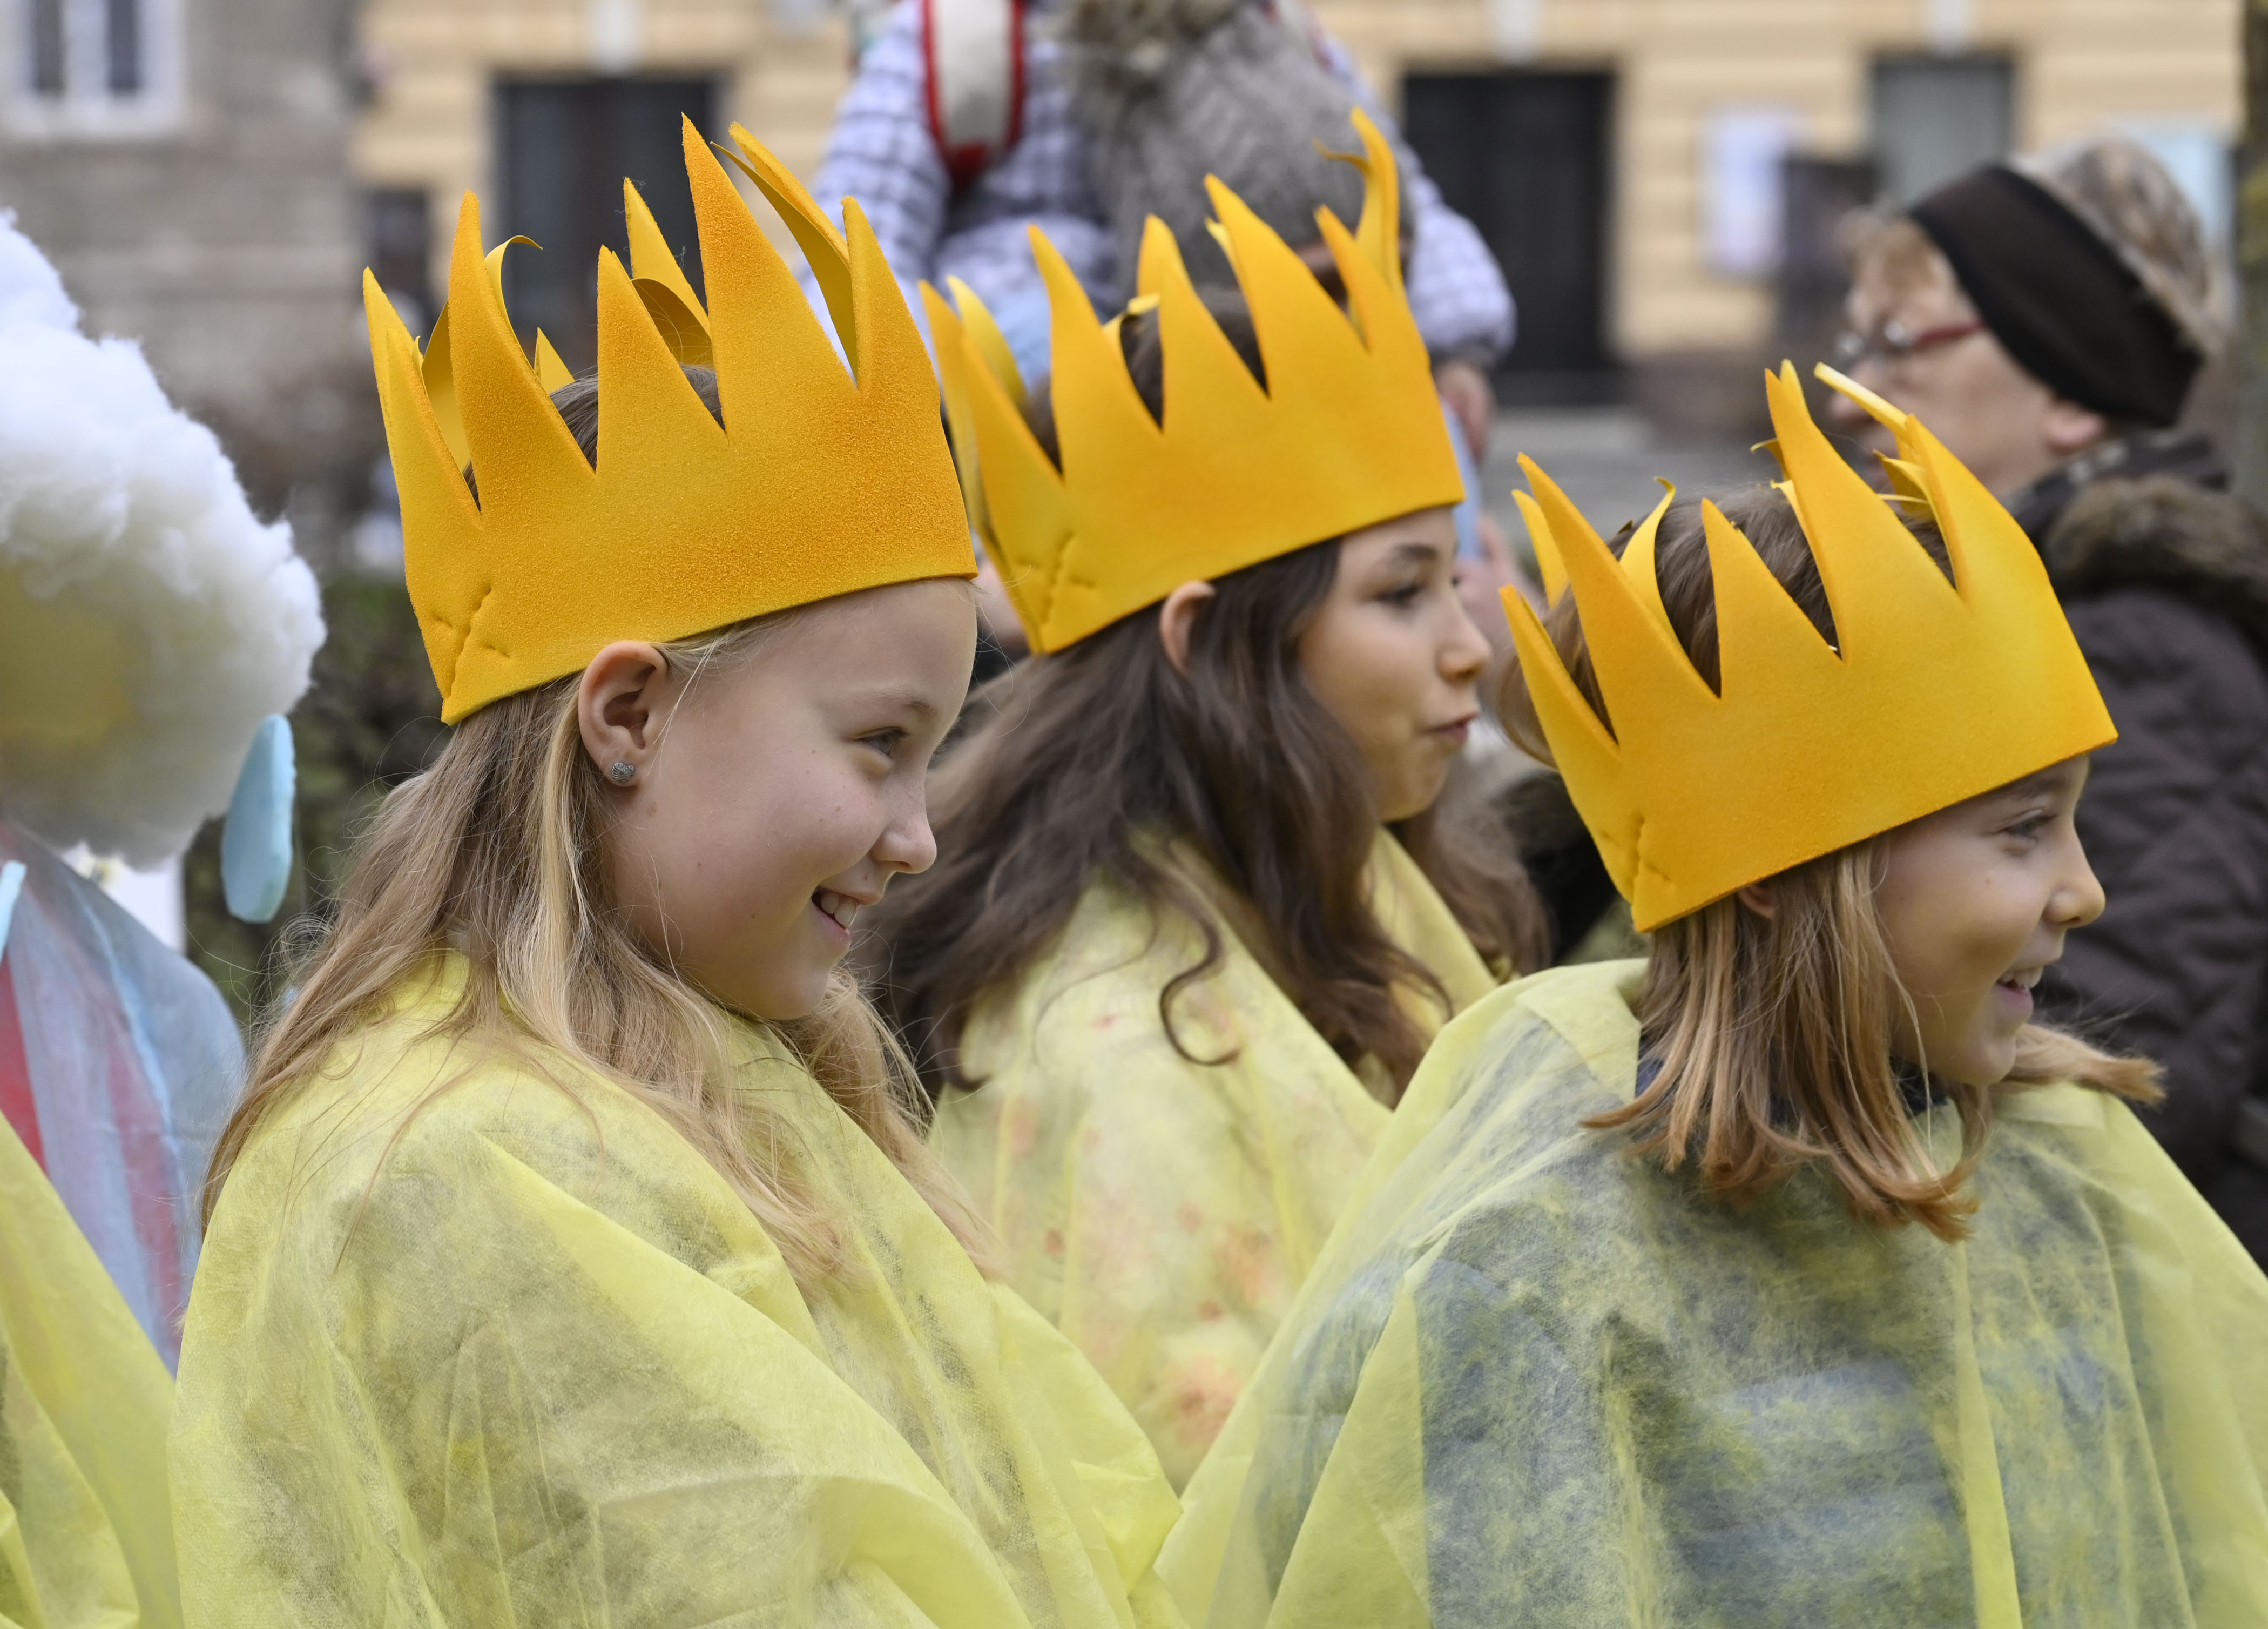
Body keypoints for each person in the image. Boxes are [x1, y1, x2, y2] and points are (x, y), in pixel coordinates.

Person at [170, 120, 1183, 1626]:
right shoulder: (475, 1162)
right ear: (630, 713)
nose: (920, 834)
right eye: (877, 743)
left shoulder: (730, 1071)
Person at [1160, 364, 2268, 1626]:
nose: (2086, 891)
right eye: (2022, 830)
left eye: (2076, 823)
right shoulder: (1526, 1272)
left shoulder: (2074, 1176)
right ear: (1787, 871)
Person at [870, 113, 1543, 1489]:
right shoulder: (1109, 1048)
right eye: (1402, 592)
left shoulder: (1382, 902)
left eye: (1456, 582)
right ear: (1204, 640)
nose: (1469, 643)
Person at [1835, 138, 2268, 1264]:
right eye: (1856, 341)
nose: (1858, 396)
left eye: (1904, 342)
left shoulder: (2132, 644)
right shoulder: (2023, 619)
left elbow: (2129, 1057)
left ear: (2072, 394)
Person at [806, 0, 1509, 450]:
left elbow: (1387, 180)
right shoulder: (960, 42)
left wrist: (1450, 347)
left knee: (1427, 432)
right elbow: (857, 242)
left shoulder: (1275, 31)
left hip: (1247, 355)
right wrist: (918, 400)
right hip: (1030, 396)